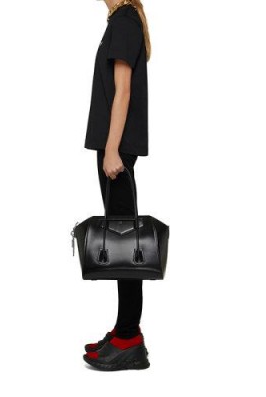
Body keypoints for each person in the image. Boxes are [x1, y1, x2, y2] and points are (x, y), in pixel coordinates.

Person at [82, 0, 151, 371]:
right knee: (123, 241)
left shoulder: (124, 21)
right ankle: (126, 331)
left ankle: (129, 340)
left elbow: (123, 92)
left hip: (116, 150)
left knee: (125, 245)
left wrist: (111, 150)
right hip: (115, 147)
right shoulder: (121, 20)